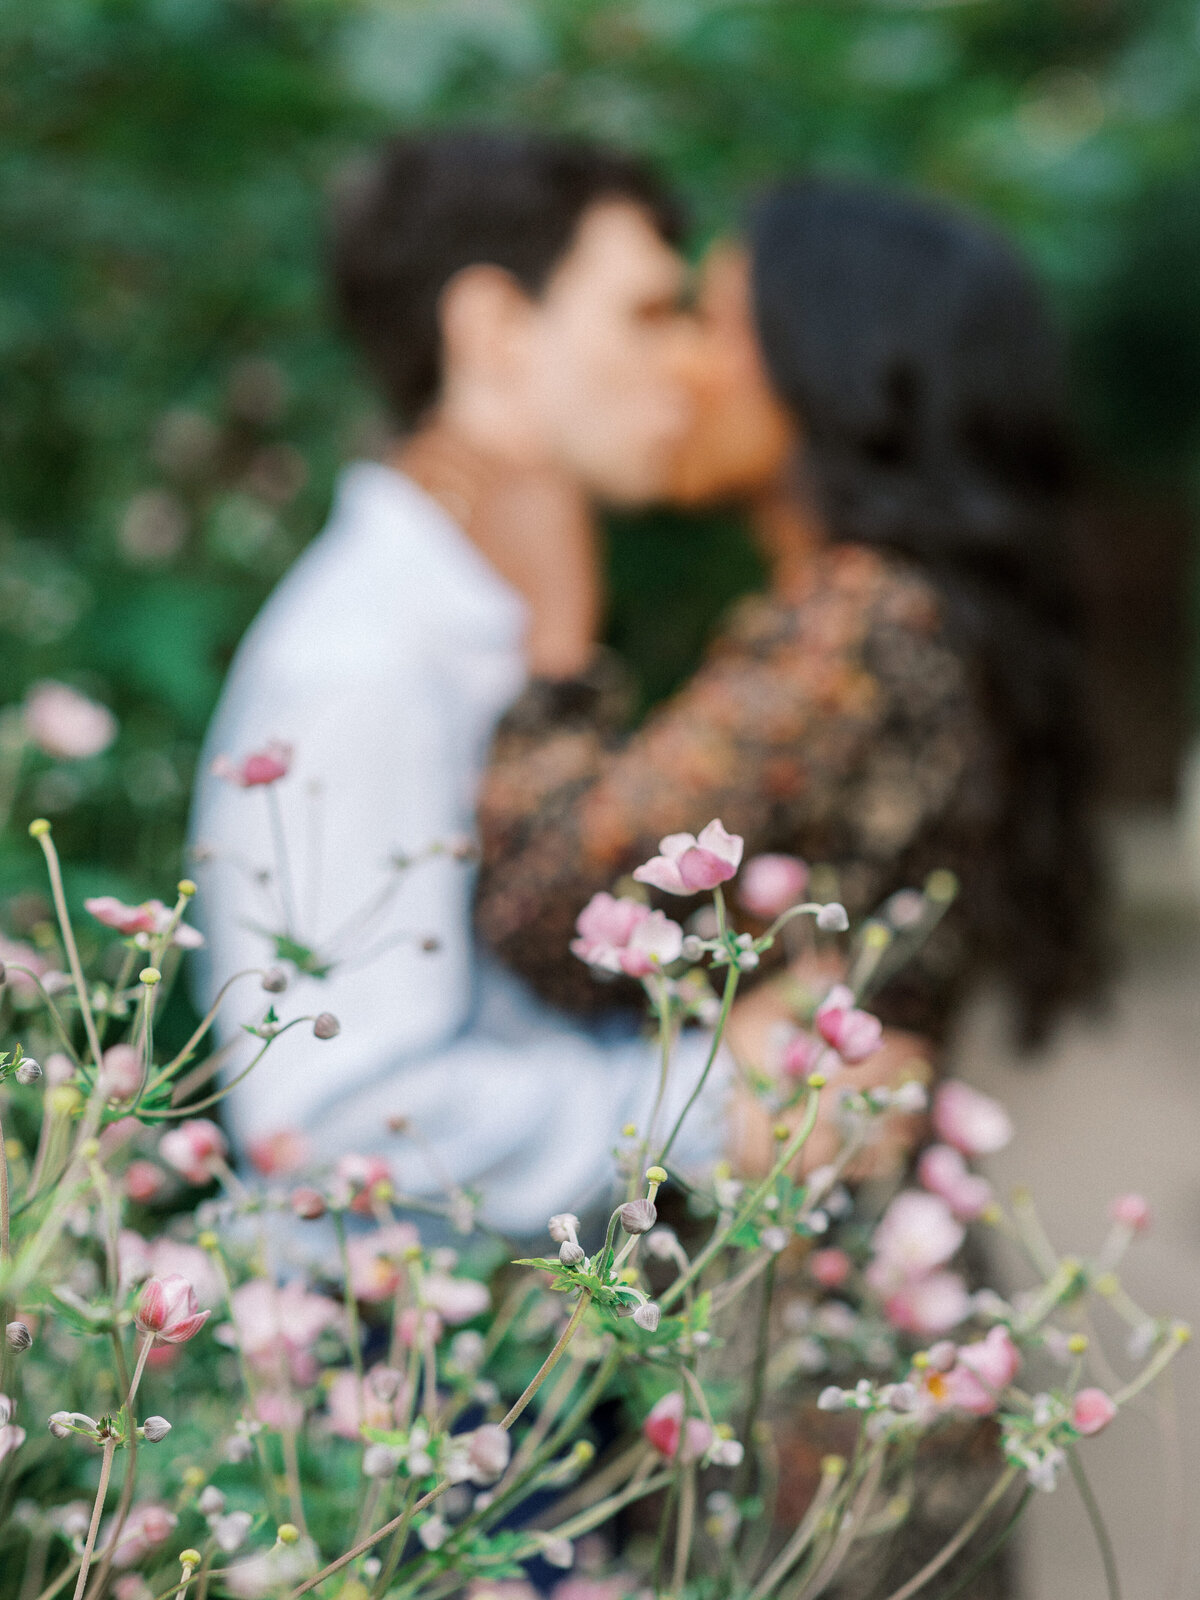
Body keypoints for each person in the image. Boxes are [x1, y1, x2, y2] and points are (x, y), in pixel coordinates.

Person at [189, 131, 735, 1237]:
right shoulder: (369, 656)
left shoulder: (472, 620)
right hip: (395, 1374)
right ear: (493, 330)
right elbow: (333, 1113)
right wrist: (716, 1101)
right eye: (645, 313)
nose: (687, 360)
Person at [474, 177, 1107, 1118]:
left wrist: (558, 644)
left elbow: (547, 921)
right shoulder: (901, 613)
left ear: (831, 364)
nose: (679, 364)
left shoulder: (860, 628)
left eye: (714, 324)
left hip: (768, 1233)